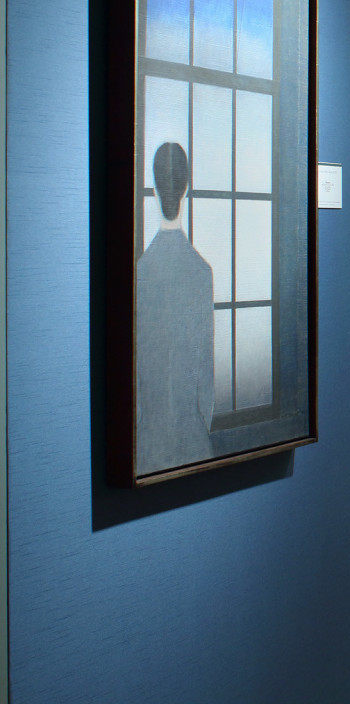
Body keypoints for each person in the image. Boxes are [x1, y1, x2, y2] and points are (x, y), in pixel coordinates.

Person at [135, 141, 216, 474]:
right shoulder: (200, 272)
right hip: (194, 441)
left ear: (154, 189)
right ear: (186, 189)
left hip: (145, 447)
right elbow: (205, 384)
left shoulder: (139, 273)